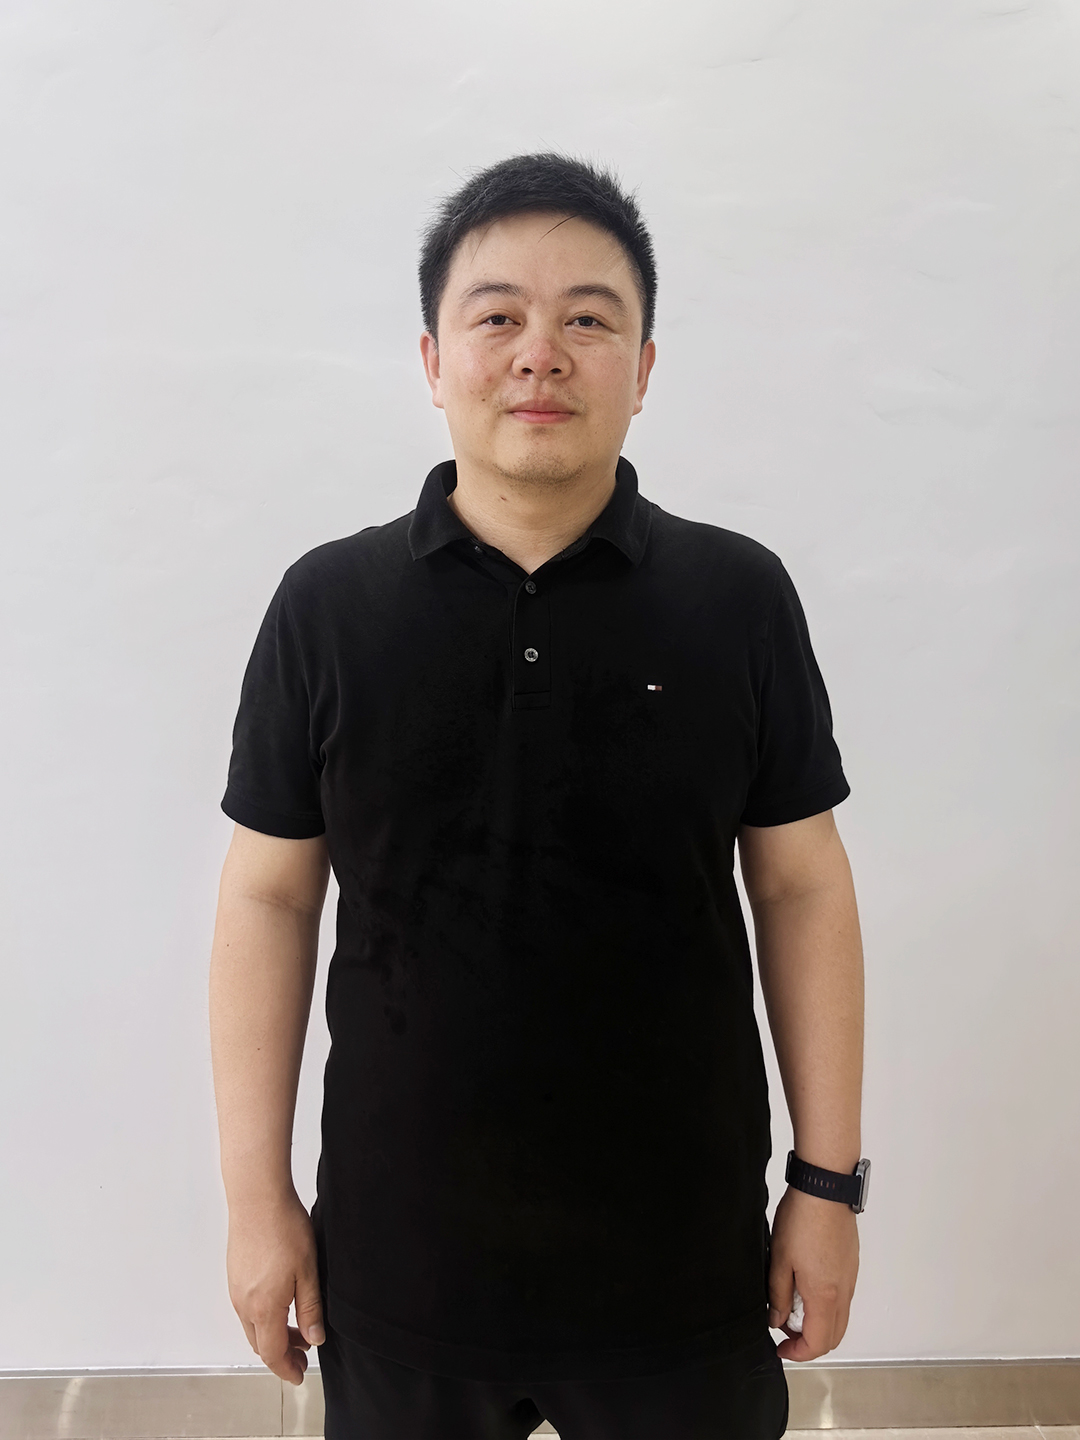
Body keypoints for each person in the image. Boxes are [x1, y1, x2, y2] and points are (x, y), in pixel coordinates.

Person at [209, 152, 867, 1440]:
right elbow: (268, 900)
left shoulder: (736, 598)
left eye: (588, 319)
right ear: (432, 358)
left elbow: (801, 886)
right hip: (398, 1261)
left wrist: (827, 1184)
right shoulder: (328, 607)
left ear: (644, 366)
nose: (540, 355)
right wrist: (255, 1203)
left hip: (681, 1257)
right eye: (498, 315)